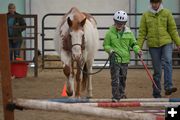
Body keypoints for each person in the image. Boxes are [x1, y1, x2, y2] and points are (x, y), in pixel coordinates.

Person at [137, 0, 180, 98]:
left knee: (168, 61)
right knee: (157, 70)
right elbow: (142, 33)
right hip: (153, 45)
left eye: (156, 2)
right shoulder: (146, 15)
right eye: (153, 2)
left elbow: (173, 30)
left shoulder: (167, 13)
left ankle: (168, 86)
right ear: (150, 3)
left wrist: (178, 44)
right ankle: (156, 93)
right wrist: (138, 47)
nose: (154, 4)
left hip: (166, 43)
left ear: (160, 3)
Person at [103, 10, 142, 102]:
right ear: (114, 21)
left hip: (125, 60)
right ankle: (115, 96)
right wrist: (110, 50)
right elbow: (106, 45)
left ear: (125, 23)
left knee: (123, 78)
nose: (119, 25)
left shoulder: (129, 33)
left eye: (122, 23)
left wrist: (137, 50)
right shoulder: (109, 33)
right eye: (117, 23)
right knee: (115, 79)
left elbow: (134, 44)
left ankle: (121, 93)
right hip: (114, 59)